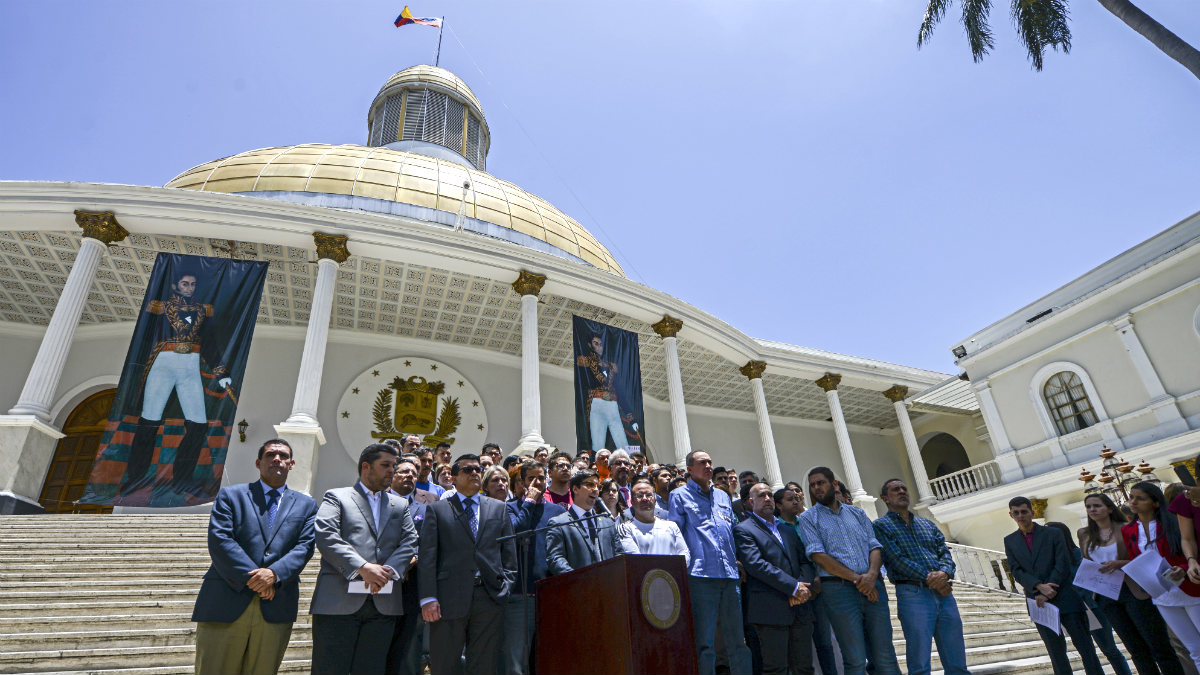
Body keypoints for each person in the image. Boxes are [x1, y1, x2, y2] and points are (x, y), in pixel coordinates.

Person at [191, 439, 318, 675]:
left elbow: (305, 546)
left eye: (283, 455)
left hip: (276, 602)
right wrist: (257, 579)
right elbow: (221, 540)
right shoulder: (231, 495)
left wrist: (274, 574)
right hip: (226, 598)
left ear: (292, 464)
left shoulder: (307, 505)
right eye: (271, 455)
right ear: (259, 463)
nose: (277, 459)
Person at [120, 269, 233, 495]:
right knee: (149, 422)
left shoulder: (203, 311)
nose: (189, 288)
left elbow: (209, 343)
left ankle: (183, 479)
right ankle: (136, 477)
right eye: (185, 283)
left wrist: (221, 372)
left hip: (190, 366)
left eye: (192, 284)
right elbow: (145, 336)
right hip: (163, 363)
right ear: (175, 285)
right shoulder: (159, 308)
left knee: (198, 425)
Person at [310, 443, 419, 675]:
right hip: (338, 603)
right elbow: (326, 536)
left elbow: (410, 541)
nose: (392, 471)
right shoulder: (337, 497)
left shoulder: (400, 505)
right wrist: (363, 567)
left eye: (394, 465)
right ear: (366, 467)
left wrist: (387, 570)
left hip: (383, 605)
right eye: (386, 465)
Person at [419, 453, 516, 675]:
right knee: (445, 664)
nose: (474, 473)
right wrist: (428, 598)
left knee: (484, 664)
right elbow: (428, 557)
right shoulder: (437, 509)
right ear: (453, 478)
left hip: (489, 597)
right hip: (447, 599)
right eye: (467, 470)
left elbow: (509, 554)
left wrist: (506, 588)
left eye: (477, 470)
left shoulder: (498, 508)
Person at [797, 467, 899, 675]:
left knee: (886, 657)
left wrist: (871, 576)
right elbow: (818, 555)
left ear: (834, 484)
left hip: (874, 588)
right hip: (839, 592)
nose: (816, 488)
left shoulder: (857, 513)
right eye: (812, 485)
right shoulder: (808, 518)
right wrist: (860, 580)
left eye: (821, 483)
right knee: (854, 660)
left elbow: (874, 546)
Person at [668, 450, 752, 675]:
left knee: (738, 641)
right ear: (689, 469)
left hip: (730, 576)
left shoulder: (723, 497)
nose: (708, 466)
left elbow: (731, 532)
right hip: (700, 576)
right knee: (704, 644)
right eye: (702, 462)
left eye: (710, 462)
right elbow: (675, 535)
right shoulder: (679, 495)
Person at [1080, 493, 1184, 675]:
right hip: (1106, 595)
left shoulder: (1126, 528)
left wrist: (1120, 564)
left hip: (1134, 590)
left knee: (1158, 646)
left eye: (1097, 505)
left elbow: (1142, 556)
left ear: (1110, 508)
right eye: (1088, 507)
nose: (1092, 510)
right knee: (1135, 649)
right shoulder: (1085, 535)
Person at [872, 479, 968, 675]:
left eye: (904, 488)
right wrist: (932, 579)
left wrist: (944, 573)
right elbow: (896, 559)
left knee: (957, 660)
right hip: (913, 594)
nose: (902, 491)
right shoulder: (881, 526)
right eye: (895, 489)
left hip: (944, 595)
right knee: (919, 663)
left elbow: (944, 553)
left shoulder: (927, 524)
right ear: (885, 498)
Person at [1003, 496, 1103, 675]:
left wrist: (1051, 589)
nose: (1020, 515)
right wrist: (1039, 587)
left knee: (1086, 649)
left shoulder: (1053, 533)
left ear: (1032, 512)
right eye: (1016, 512)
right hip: (1037, 601)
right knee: (1056, 654)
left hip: (1065, 596)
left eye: (1024, 511)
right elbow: (1016, 570)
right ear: (1010, 515)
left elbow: (1062, 562)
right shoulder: (1010, 541)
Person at [734, 482, 817, 675]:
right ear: (750, 501)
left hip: (800, 609)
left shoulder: (787, 530)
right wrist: (793, 587)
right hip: (770, 609)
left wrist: (802, 588)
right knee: (776, 669)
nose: (768, 499)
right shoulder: (744, 530)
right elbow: (756, 565)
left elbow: (804, 561)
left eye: (770, 495)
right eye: (762, 495)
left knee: (804, 668)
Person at [1123, 482, 1200, 671]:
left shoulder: (1173, 522)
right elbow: (1136, 559)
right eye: (1131, 497)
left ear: (1155, 503)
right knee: (1194, 649)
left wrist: (1183, 567)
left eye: (1140, 498)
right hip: (1161, 595)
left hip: (1189, 587)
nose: (1133, 502)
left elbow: (1190, 549)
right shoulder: (1128, 530)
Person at [1042, 520, 1133, 675]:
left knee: (1109, 648)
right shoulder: (1051, 559)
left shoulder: (1077, 554)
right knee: (1087, 652)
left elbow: (1087, 581)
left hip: (1091, 607)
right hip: (1073, 610)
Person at [505, 460, 566, 675]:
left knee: (549, 658)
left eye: (541, 477)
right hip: (520, 595)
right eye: (531, 478)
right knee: (516, 663)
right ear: (521, 482)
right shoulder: (509, 508)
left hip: (550, 594)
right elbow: (515, 532)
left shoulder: (556, 511)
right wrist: (529, 502)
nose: (537, 482)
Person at [387, 456, 429, 675]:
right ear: (392, 475)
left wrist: (412, 560)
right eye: (404, 472)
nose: (409, 476)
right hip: (379, 584)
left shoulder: (425, 509)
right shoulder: (378, 502)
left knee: (408, 648)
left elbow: (430, 544)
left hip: (410, 587)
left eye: (414, 473)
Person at [546, 470, 623, 574]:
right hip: (577, 586)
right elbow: (555, 559)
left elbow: (619, 554)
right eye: (590, 485)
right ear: (575, 489)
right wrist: (578, 579)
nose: (595, 490)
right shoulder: (559, 523)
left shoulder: (607, 522)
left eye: (598, 486)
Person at [576, 331, 630, 451]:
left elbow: (620, 390)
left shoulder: (612, 366)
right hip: (597, 401)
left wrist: (630, 414)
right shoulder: (585, 361)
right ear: (590, 345)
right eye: (596, 343)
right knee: (598, 443)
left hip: (612, 403)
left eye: (600, 344)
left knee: (623, 442)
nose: (599, 346)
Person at [619, 478, 690, 563]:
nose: (645, 499)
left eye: (649, 495)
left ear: (655, 500)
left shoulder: (672, 526)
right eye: (639, 496)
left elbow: (685, 555)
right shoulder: (625, 529)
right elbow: (636, 561)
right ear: (632, 502)